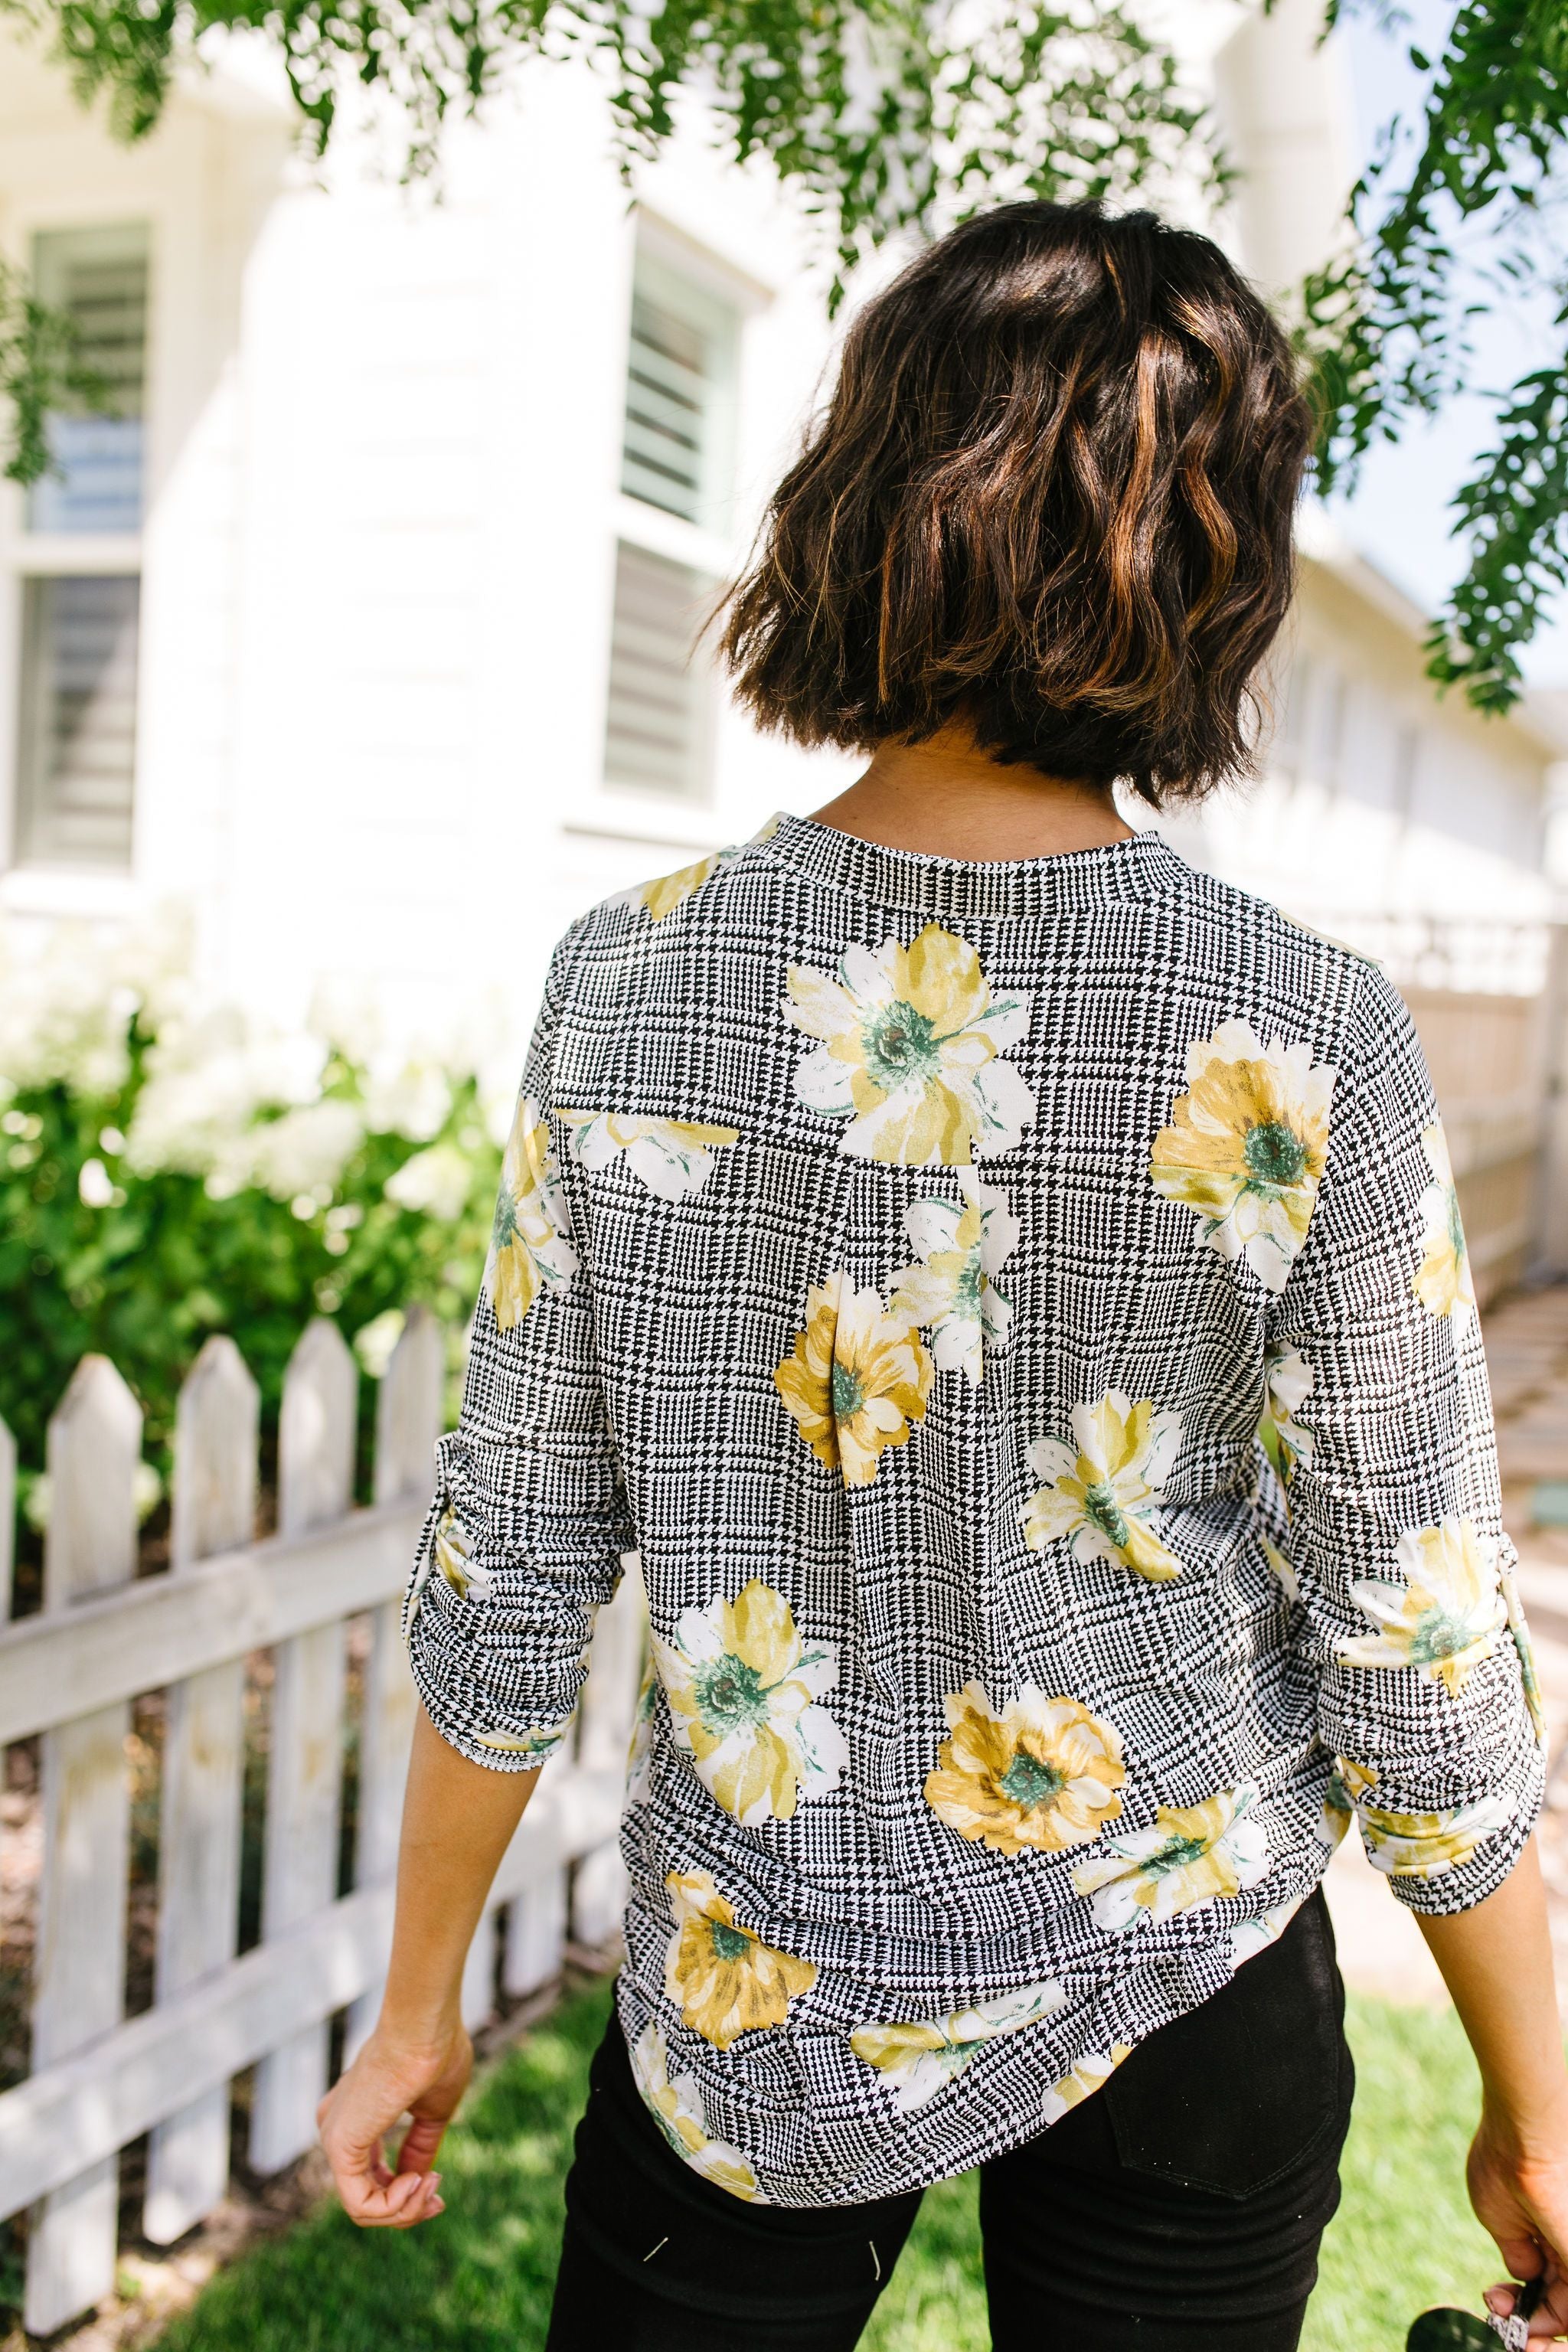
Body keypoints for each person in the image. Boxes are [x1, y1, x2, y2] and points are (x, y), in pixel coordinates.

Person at [316, 200, 1568, 2349]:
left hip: (753, 1993)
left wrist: (418, 2003)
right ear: (1222, 566)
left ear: (871, 499)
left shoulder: (627, 987)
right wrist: (1541, 2106)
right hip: (1181, 1959)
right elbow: (1411, 1620)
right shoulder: (1305, 1031)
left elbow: (513, 1550)